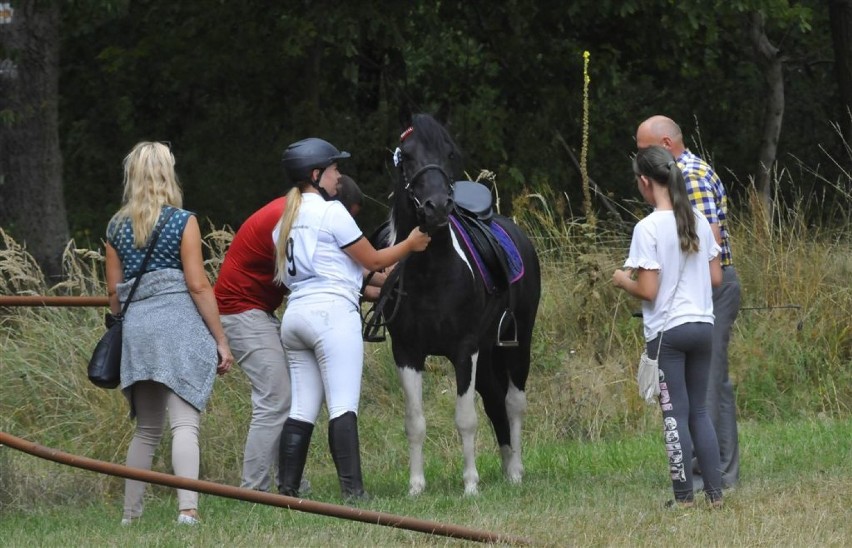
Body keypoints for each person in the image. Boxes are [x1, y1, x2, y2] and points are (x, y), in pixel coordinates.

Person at [273, 137, 430, 500]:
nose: (338, 176)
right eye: (334, 169)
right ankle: (353, 494)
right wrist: (410, 244)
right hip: (331, 316)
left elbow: (336, 267)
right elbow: (373, 261)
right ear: (315, 175)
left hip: (295, 316)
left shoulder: (285, 221)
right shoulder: (332, 213)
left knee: (302, 407)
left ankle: (286, 490)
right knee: (343, 404)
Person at [214, 172, 374, 492]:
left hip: (259, 310)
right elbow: (358, 269)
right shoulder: (303, 217)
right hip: (242, 310)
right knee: (277, 398)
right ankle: (254, 489)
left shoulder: (292, 211)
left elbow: (346, 273)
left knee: (291, 400)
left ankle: (290, 484)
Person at [105, 141, 234, 525]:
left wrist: (121, 328)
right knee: (184, 424)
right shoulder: (183, 221)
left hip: (138, 331)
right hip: (177, 325)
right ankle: (187, 511)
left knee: (146, 429)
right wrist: (220, 340)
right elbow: (197, 285)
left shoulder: (116, 227)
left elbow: (114, 294)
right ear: (167, 174)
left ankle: (130, 515)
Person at [612, 145, 724, 508]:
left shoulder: (646, 228)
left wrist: (620, 280)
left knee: (674, 413)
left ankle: (683, 498)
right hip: (702, 325)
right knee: (700, 412)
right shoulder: (696, 221)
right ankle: (715, 495)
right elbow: (716, 277)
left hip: (668, 333)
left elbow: (648, 289)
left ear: (645, 182)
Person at [636, 115, 742, 490]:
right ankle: (721, 477)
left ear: (665, 145)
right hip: (704, 293)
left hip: (704, 294)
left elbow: (703, 243)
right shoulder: (687, 173)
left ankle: (701, 481)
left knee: (703, 394)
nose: (641, 158)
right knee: (713, 388)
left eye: (644, 149)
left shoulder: (689, 177)